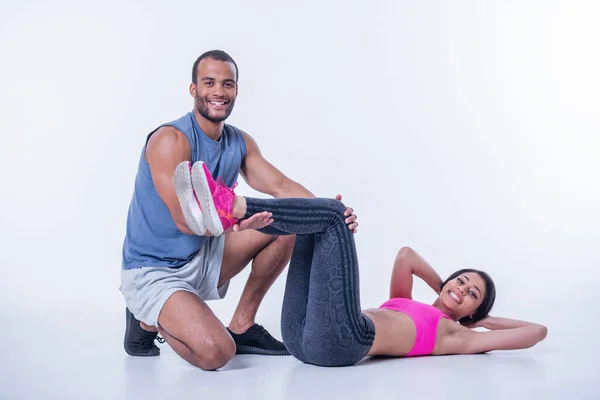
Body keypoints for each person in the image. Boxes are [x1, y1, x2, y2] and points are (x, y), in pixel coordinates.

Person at [119, 49, 360, 368]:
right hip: (154, 271)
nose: (219, 91)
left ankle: (242, 325)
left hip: (204, 253)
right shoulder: (170, 140)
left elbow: (283, 188)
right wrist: (236, 220)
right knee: (218, 353)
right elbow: (182, 219)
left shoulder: (239, 143)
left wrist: (331, 213)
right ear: (194, 90)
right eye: (209, 83)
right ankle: (146, 319)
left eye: (227, 84)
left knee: (287, 225)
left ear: (236, 91)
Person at [182, 160, 549, 367]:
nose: (462, 290)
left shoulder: (458, 335)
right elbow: (406, 255)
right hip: (301, 338)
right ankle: (230, 214)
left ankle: (231, 207)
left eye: (472, 294)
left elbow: (537, 332)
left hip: (345, 342)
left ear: (472, 310)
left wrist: (481, 321)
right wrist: (442, 287)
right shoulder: (407, 302)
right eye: (462, 281)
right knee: (318, 218)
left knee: (332, 213)